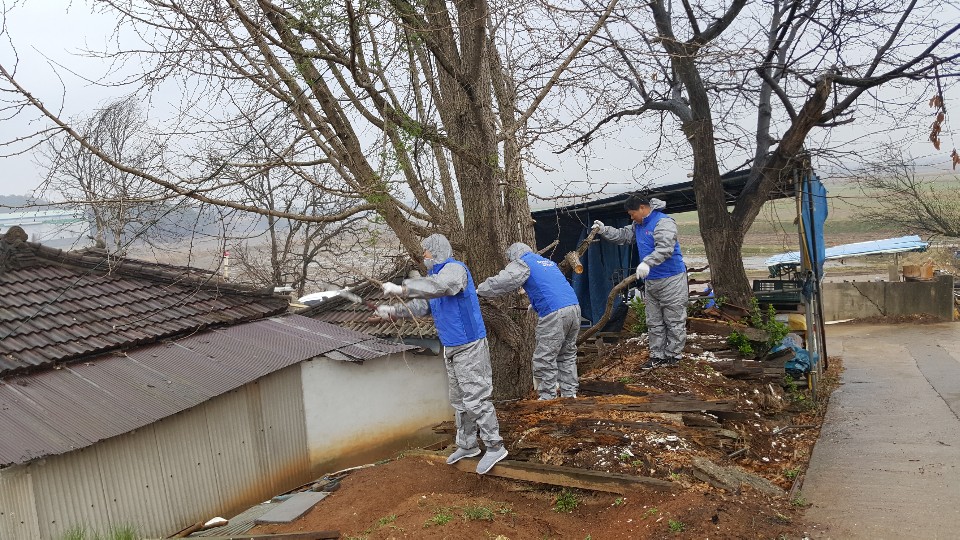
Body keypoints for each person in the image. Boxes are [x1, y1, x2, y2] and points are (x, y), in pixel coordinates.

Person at [374, 233, 508, 474]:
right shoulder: (433, 279)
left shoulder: (455, 270)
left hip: (469, 343)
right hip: (451, 345)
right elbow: (422, 306)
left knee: (476, 398)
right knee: (459, 400)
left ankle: (495, 446)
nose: (424, 256)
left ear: (436, 251)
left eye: (426, 251)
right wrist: (392, 311)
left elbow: (443, 286)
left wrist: (403, 288)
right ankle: (467, 445)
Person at [592, 194, 688, 368]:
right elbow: (623, 235)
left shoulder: (663, 223)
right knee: (654, 320)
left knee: (674, 319)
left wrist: (647, 262)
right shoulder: (638, 225)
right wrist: (604, 230)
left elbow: (665, 249)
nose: (631, 217)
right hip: (651, 280)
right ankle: (657, 356)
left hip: (671, 278)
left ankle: (673, 356)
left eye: (632, 213)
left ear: (642, 208)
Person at [476, 242, 581, 400]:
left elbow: (504, 281)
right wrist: (536, 304)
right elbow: (550, 287)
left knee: (544, 357)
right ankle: (570, 394)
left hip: (554, 312)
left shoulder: (523, 262)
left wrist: (480, 291)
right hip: (574, 308)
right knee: (566, 354)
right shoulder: (546, 262)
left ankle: (548, 397)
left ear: (513, 257)